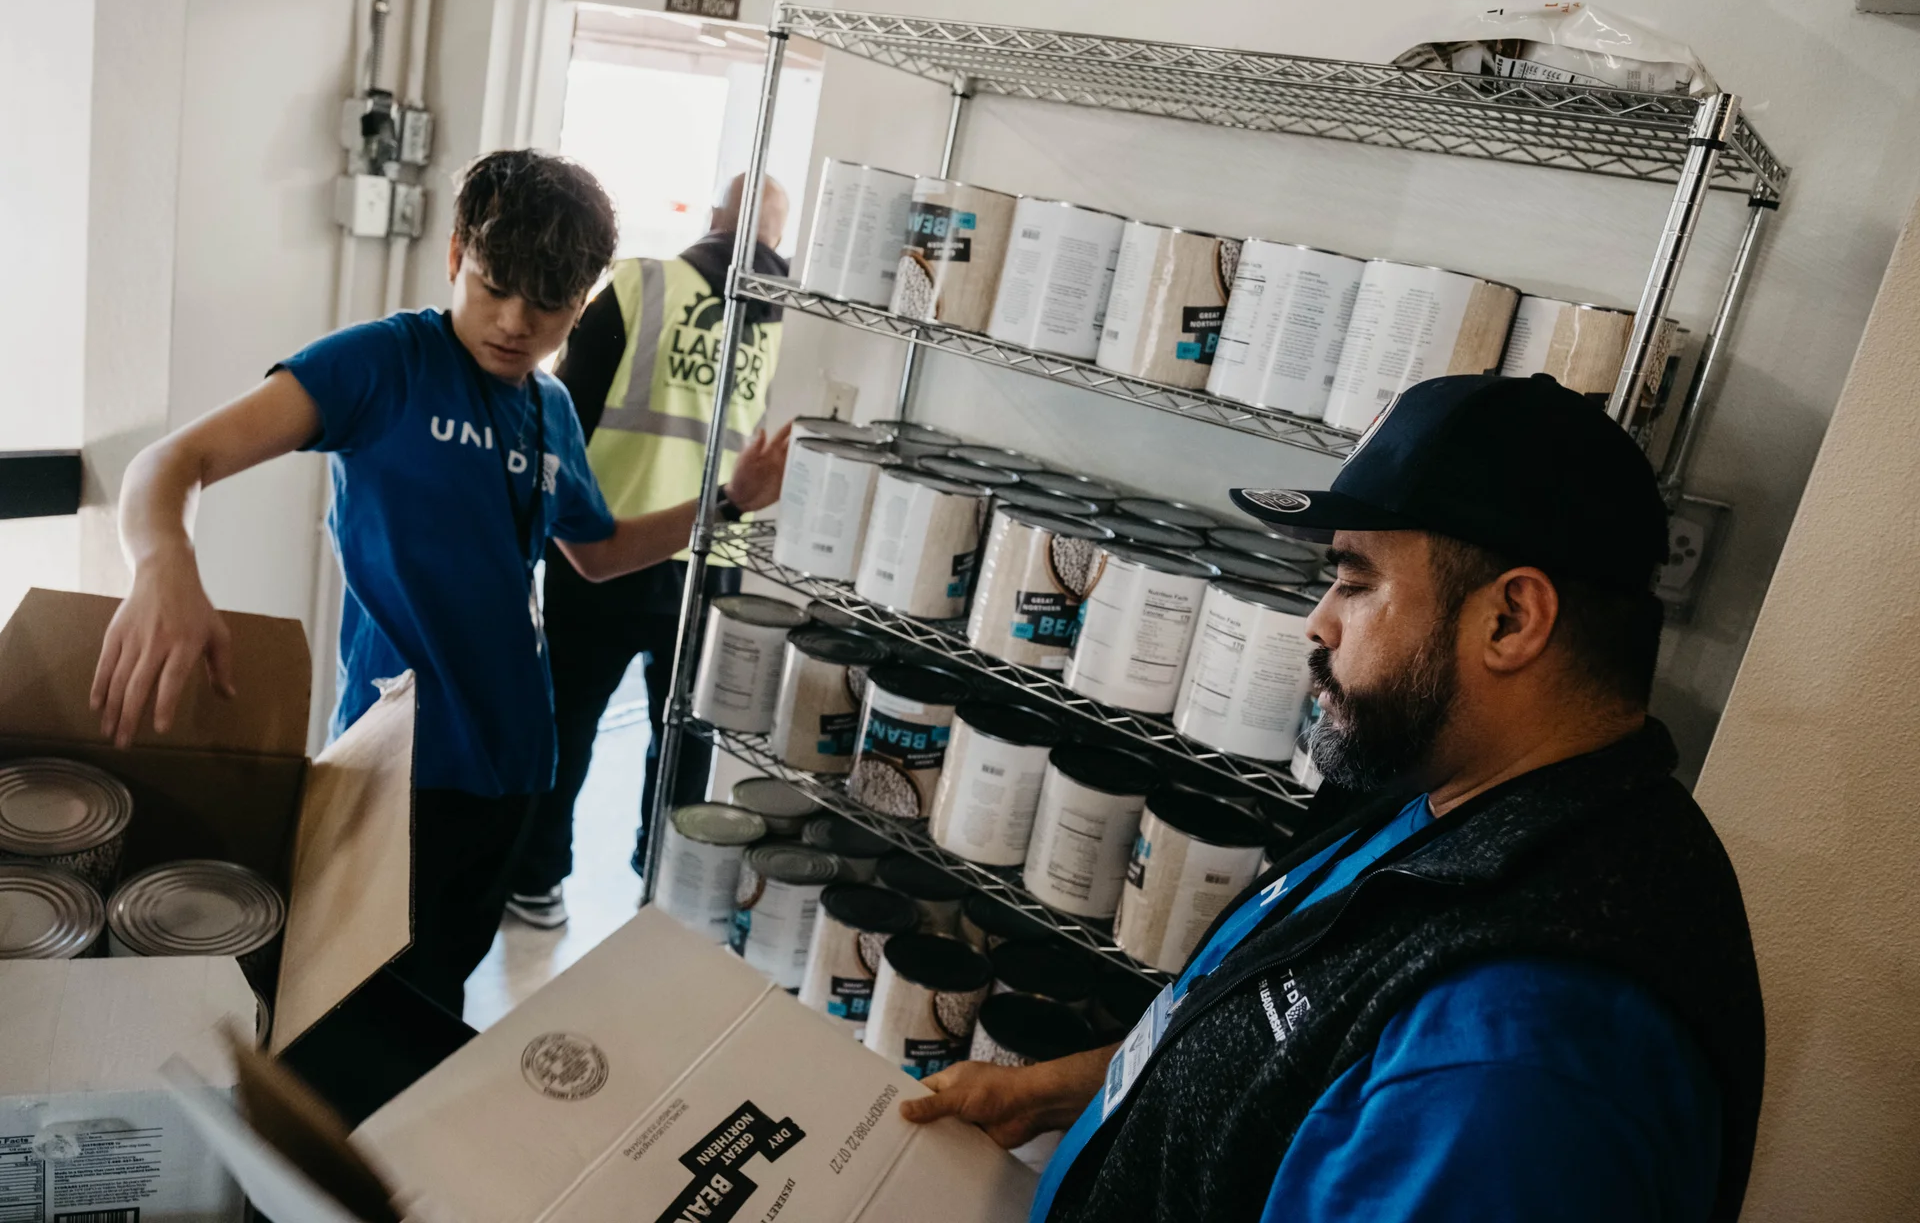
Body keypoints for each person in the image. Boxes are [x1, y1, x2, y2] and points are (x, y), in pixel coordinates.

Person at [903, 374, 1765, 1222]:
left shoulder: (1515, 1055)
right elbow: (1279, 1060)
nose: (1317, 622)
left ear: (1510, 621)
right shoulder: (1456, 789)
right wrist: (1060, 1092)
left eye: (1355, 583)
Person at [89, 150, 790, 1016]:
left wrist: (729, 501)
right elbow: (172, 462)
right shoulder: (384, 364)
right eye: (495, 286)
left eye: (549, 306)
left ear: (581, 302)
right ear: (456, 255)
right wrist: (164, 565)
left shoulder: (550, 407)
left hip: (515, 767)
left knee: (435, 1004)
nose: (514, 323)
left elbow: (599, 551)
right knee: (350, 1011)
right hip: (397, 770)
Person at [505, 174, 792, 929]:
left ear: (711, 218)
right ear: (775, 240)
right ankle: (664, 883)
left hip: (610, 545)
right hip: (710, 555)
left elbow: (561, 409)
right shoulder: (778, 318)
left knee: (567, 721)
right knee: (687, 732)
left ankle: (537, 880)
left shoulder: (642, 284)